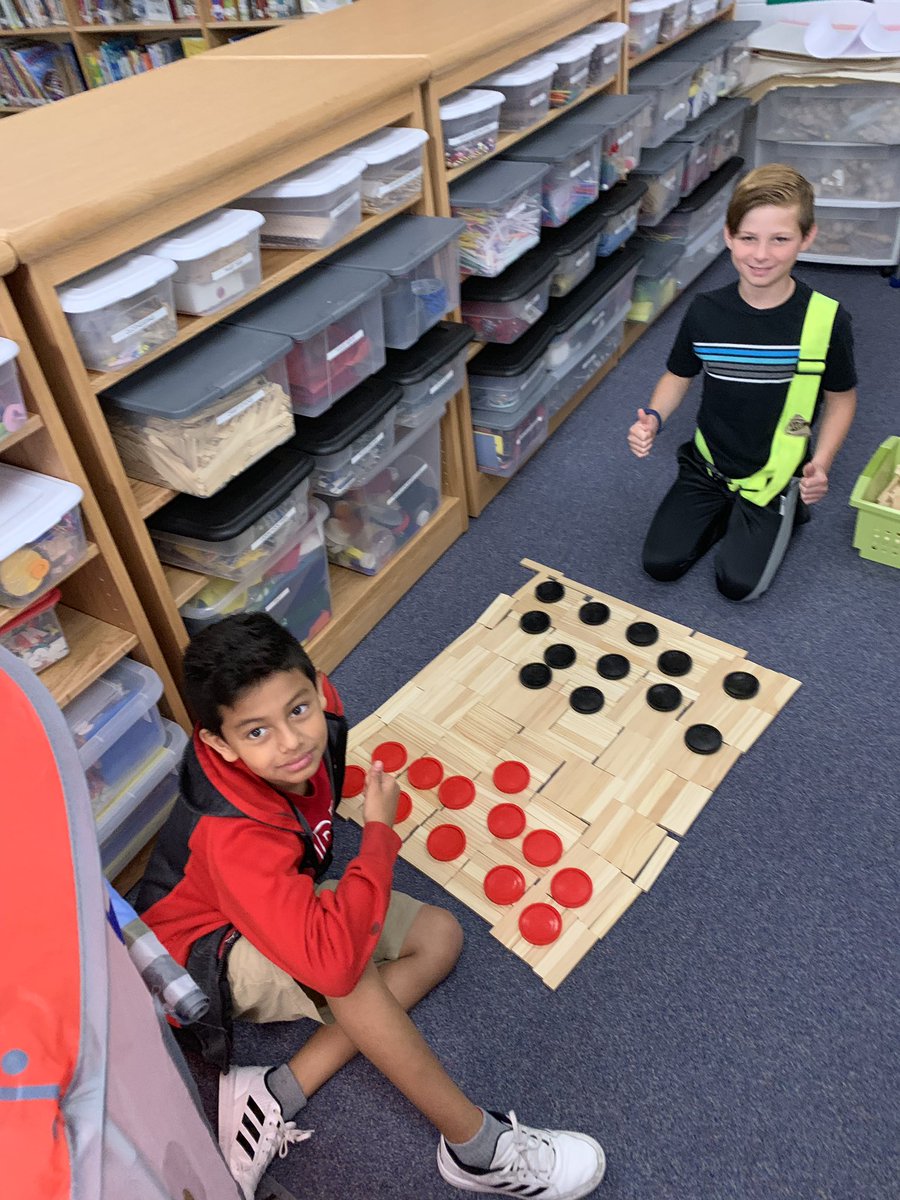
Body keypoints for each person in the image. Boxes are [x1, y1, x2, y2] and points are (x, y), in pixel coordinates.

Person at [137, 612, 606, 1200]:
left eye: (298, 709)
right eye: (256, 732)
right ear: (217, 744)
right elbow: (332, 961)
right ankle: (476, 1149)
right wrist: (380, 835)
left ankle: (273, 1093)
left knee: (438, 937)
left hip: (271, 896)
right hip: (200, 957)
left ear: (313, 684)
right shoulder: (234, 839)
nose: (291, 742)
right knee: (346, 970)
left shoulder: (321, 706)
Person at [627, 163, 857, 601]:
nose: (761, 255)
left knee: (737, 586)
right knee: (659, 565)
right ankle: (724, 508)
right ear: (729, 236)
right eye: (748, 238)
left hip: (776, 472)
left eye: (780, 239)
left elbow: (842, 400)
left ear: (806, 238)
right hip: (708, 463)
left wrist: (821, 463)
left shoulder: (827, 319)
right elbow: (678, 375)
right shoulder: (705, 311)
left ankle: (782, 513)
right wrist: (653, 418)